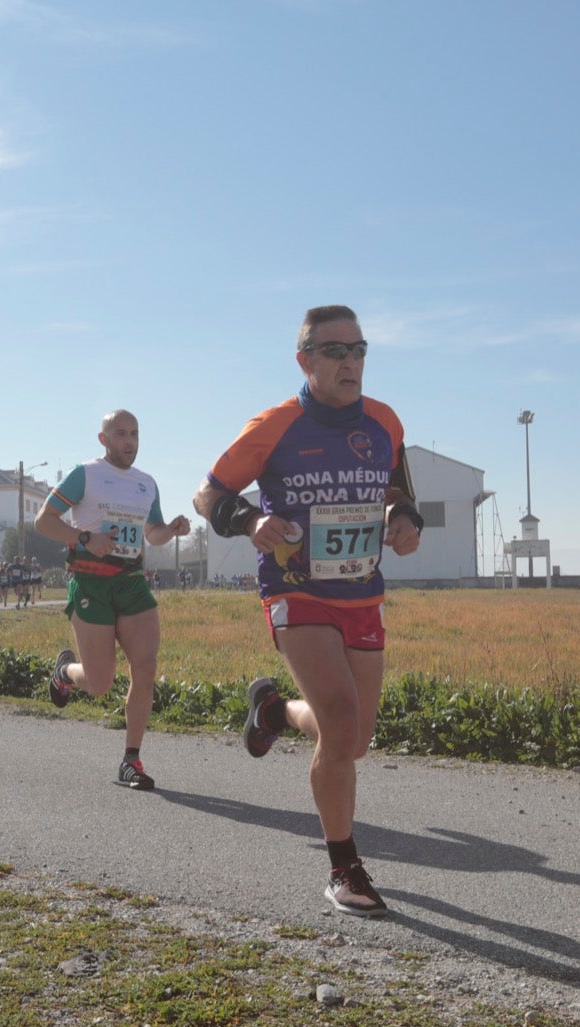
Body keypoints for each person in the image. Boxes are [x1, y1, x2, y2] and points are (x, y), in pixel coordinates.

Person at [193, 305, 423, 918]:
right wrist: (250, 519)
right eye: (335, 352)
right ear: (305, 361)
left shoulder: (384, 422)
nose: (350, 362)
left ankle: (273, 709)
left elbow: (397, 490)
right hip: (295, 591)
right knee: (343, 720)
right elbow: (208, 492)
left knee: (355, 739)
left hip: (361, 594)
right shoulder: (275, 425)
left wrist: (403, 520)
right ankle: (344, 866)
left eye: (359, 350)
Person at [37, 409, 192, 790]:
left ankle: (131, 760)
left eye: (135, 434)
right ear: (104, 439)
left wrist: (170, 529)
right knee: (100, 683)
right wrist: (85, 538)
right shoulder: (85, 474)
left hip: (131, 581)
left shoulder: (146, 483)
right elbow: (44, 521)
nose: (130, 441)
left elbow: (151, 534)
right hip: (91, 583)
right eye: (121, 434)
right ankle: (65, 673)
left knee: (146, 665)